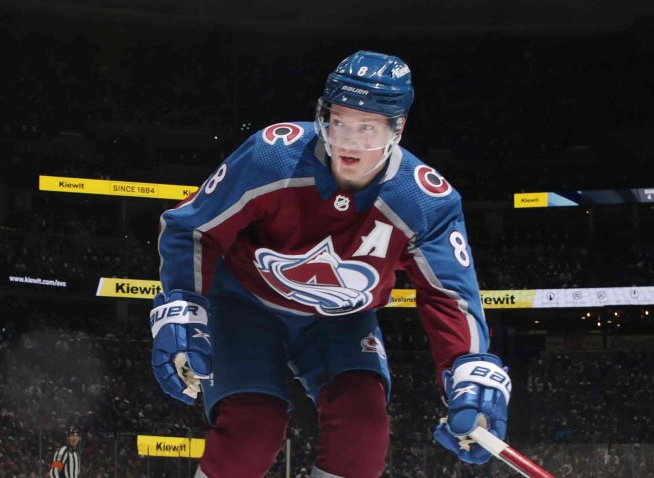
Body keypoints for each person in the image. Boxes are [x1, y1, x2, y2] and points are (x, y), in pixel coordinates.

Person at [152, 50, 511, 478]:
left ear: (398, 128)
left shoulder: (425, 201)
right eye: (339, 121)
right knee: (252, 427)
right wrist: (184, 304)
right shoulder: (272, 157)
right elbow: (193, 228)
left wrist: (470, 371)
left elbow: (449, 294)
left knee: (364, 433)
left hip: (342, 319)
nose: (348, 140)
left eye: (366, 127)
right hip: (243, 304)